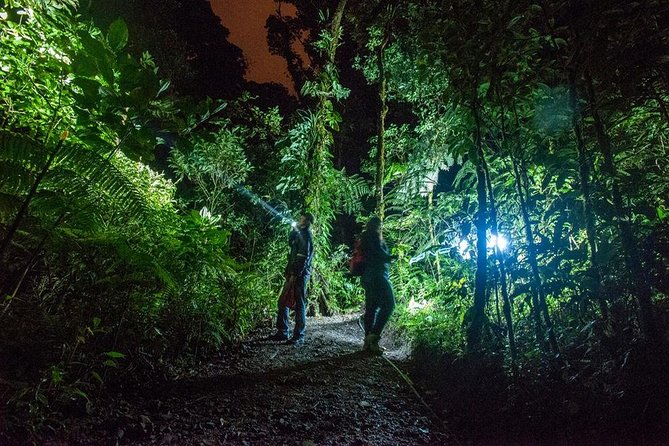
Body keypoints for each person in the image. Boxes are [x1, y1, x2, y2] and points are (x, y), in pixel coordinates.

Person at [271, 212, 315, 345]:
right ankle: (283, 331)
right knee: (283, 300)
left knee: (299, 303)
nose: (299, 220)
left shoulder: (306, 236)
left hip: (300, 274)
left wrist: (295, 274)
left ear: (307, 221)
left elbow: (303, 257)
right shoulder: (299, 233)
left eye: (301, 219)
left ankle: (298, 335)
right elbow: (291, 245)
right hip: (293, 272)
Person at [359, 216, 396, 354]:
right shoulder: (372, 237)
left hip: (368, 277)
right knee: (389, 304)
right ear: (377, 225)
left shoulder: (365, 237)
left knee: (372, 308)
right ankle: (373, 336)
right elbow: (378, 255)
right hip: (377, 277)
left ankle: (368, 343)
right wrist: (392, 257)